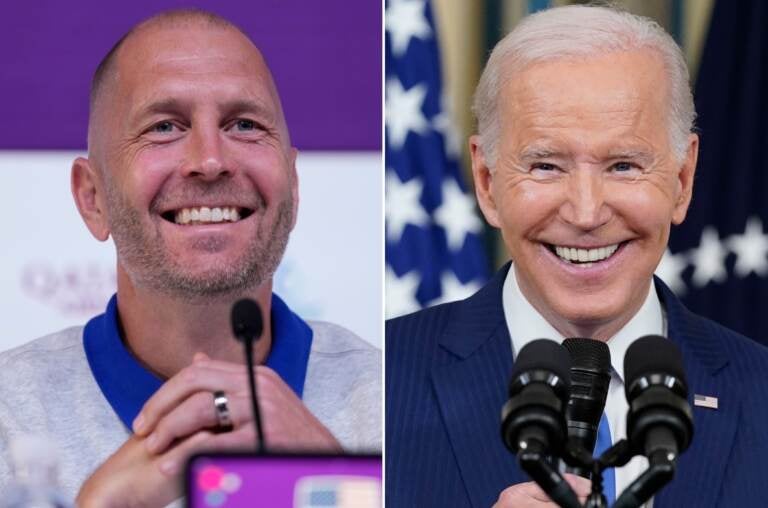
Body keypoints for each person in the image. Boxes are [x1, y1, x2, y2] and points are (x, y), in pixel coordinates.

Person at [386, 5, 768, 507]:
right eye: (545, 166)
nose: (586, 213)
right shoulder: (384, 384)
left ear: (682, 181)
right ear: (487, 183)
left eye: (624, 165)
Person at [0, 8, 380, 506]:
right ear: (93, 198)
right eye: (164, 127)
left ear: (293, 183)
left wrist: (340, 486)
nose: (210, 160)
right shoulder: (9, 416)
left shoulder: (396, 400)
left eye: (244, 124)